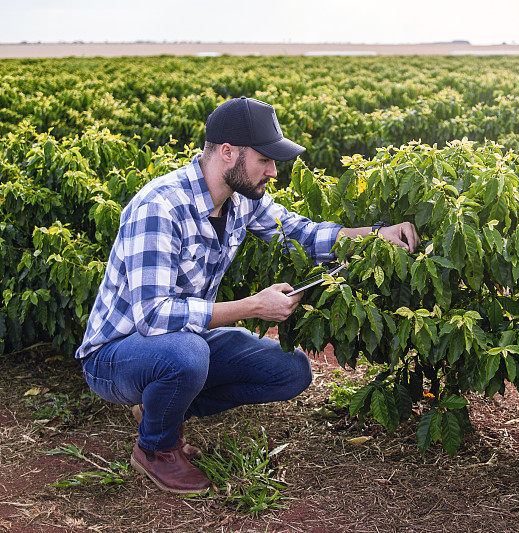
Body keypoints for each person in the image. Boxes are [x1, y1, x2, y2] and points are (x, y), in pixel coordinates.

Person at [75, 97, 419, 494]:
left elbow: (301, 233)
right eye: (265, 160)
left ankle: (158, 410)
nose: (273, 171)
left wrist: (375, 236)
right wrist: (253, 306)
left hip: (186, 341)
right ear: (227, 153)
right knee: (186, 354)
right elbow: (153, 317)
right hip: (116, 354)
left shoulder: (240, 201)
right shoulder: (160, 207)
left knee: (290, 370)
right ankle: (155, 448)